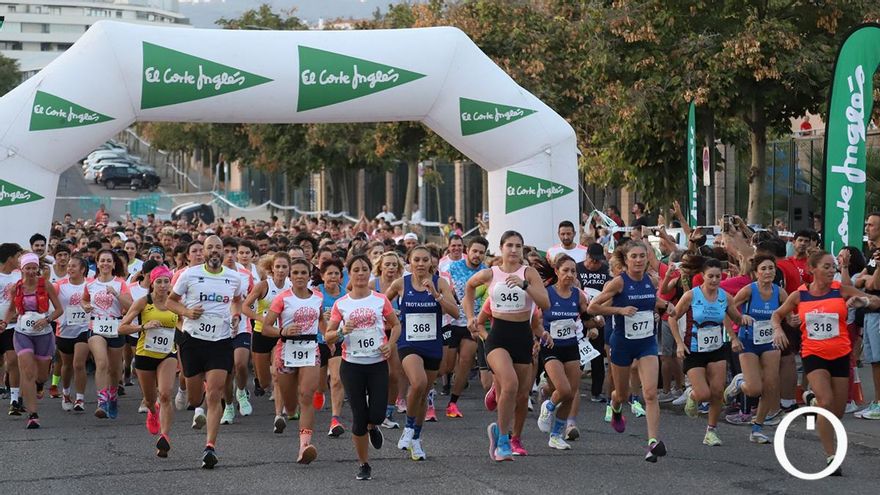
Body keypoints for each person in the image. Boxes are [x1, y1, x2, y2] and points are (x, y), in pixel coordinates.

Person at [771, 251, 880, 475]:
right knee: (826, 402)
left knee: (837, 412)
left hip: (840, 355)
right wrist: (778, 328)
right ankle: (831, 456)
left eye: (834, 267)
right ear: (813, 269)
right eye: (827, 266)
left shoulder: (840, 290)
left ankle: (810, 398)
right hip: (814, 354)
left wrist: (864, 300)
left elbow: (877, 300)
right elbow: (777, 314)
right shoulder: (800, 295)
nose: (832, 271)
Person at [464, 230, 550, 461]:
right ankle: (502, 441)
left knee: (522, 396)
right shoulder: (491, 273)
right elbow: (469, 289)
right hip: (498, 336)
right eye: (509, 245)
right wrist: (470, 316)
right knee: (510, 384)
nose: (513, 250)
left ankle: (515, 438)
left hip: (522, 336)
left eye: (518, 246)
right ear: (501, 248)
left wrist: (524, 286)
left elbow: (545, 303)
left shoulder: (529, 273)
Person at [166, 235, 245, 469]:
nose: (213, 251)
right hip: (192, 340)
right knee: (194, 398)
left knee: (215, 393)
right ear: (203, 252)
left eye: (217, 248)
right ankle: (194, 397)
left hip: (220, 341)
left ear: (223, 253)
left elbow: (237, 301)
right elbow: (171, 302)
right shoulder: (189, 275)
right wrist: (187, 313)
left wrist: (236, 315)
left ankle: (210, 446)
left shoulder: (234, 278)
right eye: (209, 247)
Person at [588, 241, 669, 462]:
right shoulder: (618, 283)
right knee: (622, 394)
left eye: (643, 256)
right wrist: (619, 310)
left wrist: (666, 306)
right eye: (634, 256)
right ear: (626, 260)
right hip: (622, 343)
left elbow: (651, 301)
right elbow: (592, 307)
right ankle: (615, 407)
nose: (639, 260)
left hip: (647, 343)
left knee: (650, 393)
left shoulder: (651, 280)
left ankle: (653, 442)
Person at [325, 254, 401, 480]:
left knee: (376, 414)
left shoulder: (380, 299)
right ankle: (364, 463)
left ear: (370, 272)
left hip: (377, 364)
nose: (360, 273)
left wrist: (390, 344)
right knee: (358, 418)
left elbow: (395, 325)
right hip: (352, 366)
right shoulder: (341, 304)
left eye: (364, 269)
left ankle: (373, 426)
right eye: (356, 269)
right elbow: (328, 336)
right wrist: (341, 332)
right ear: (350, 273)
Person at [386, 246, 458, 460]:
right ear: (409, 262)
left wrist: (436, 296)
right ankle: (408, 429)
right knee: (417, 383)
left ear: (430, 263)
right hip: (408, 343)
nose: (420, 263)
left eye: (424, 260)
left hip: (433, 345)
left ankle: (415, 440)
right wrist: (391, 317)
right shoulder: (401, 284)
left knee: (423, 395)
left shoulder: (439, 283)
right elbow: (382, 304)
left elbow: (455, 312)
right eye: (416, 260)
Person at [668, 259, 750, 447]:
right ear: (703, 276)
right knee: (703, 393)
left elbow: (735, 317)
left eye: (718, 277)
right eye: (710, 276)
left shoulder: (725, 297)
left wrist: (744, 318)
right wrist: (679, 343)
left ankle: (711, 431)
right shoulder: (691, 295)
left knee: (717, 391)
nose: (714, 280)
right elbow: (673, 319)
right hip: (694, 349)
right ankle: (693, 396)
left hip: (716, 349)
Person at [262, 257, 325, 464]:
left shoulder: (317, 296)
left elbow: (322, 319)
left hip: (310, 348)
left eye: (303, 273)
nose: (299, 276)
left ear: (309, 276)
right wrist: (282, 330)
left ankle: (304, 446)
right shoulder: (282, 298)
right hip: (286, 349)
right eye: (295, 273)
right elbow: (266, 327)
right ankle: (290, 410)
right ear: (290, 276)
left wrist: (330, 336)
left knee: (306, 395)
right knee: (291, 406)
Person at [119, 265, 179, 457]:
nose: (163, 285)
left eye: (166, 281)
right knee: (151, 399)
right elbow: (122, 328)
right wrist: (144, 326)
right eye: (159, 282)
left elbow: (185, 324)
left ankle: (165, 437)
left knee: (166, 393)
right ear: (152, 283)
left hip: (168, 354)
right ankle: (153, 412)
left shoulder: (176, 303)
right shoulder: (143, 302)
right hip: (145, 354)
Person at [727, 254, 786, 443]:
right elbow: (727, 312)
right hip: (748, 341)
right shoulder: (748, 291)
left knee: (770, 385)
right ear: (756, 273)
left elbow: (791, 313)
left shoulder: (780, 292)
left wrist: (793, 320)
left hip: (770, 342)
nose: (768, 272)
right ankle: (739, 383)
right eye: (764, 269)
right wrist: (734, 336)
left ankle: (757, 428)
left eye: (771, 268)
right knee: (753, 389)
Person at [536, 255, 592, 450]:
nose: (569, 274)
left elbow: (586, 316)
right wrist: (539, 336)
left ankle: (555, 435)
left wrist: (595, 323)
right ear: (557, 272)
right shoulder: (547, 294)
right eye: (565, 270)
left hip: (571, 346)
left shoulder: (578, 295)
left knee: (570, 394)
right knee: (564, 389)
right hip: (550, 347)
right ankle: (548, 407)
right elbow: (535, 319)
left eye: (573, 271)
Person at [3, 252, 63, 428]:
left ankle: (39, 384)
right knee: (27, 372)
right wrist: (4, 322)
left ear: (38, 268)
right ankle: (33, 414)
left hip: (43, 334)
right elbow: (11, 309)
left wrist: (47, 320)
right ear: (21, 269)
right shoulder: (16, 288)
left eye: (33, 268)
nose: (30, 271)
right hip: (22, 333)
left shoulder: (46, 286)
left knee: (41, 375)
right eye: (27, 268)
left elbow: (59, 309)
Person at [82, 249, 132, 419]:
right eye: (102, 260)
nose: (105, 264)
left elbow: (130, 305)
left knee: (114, 369)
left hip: (116, 327)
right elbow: (84, 300)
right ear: (97, 263)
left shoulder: (120, 283)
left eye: (108, 261)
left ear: (113, 264)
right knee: (101, 362)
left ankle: (112, 396)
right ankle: (101, 401)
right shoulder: (90, 284)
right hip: (96, 326)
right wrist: (85, 306)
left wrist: (116, 294)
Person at [442, 236, 488, 418]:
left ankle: (453, 403)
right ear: (467, 251)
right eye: (474, 251)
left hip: (473, 323)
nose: (477, 255)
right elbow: (444, 290)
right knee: (445, 366)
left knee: (466, 361)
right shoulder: (452, 268)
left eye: (481, 253)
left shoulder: (486, 273)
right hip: (452, 321)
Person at [242, 252, 291, 422]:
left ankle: (279, 414)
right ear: (272, 268)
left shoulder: (292, 287)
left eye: (285, 267)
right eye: (278, 266)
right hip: (262, 332)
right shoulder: (263, 286)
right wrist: (260, 318)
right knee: (264, 382)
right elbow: (245, 307)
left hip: (281, 335)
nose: (281, 270)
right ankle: (259, 380)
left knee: (278, 373)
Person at [220, 238, 254, 425]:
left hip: (241, 325)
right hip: (220, 328)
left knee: (240, 364)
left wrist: (238, 314)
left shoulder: (245, 274)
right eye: (227, 251)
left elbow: (247, 300)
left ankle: (241, 391)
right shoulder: (213, 273)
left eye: (234, 251)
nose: (231, 255)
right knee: (226, 371)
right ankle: (229, 406)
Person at [53, 255, 91, 412]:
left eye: (74, 266)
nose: (70, 269)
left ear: (82, 269)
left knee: (78, 364)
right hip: (64, 330)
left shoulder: (90, 285)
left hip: (84, 328)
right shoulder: (59, 286)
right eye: (69, 266)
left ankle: (80, 399)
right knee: (67, 365)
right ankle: (66, 393)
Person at [373, 251, 405, 427]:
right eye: (387, 264)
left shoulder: (402, 285)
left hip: (395, 332)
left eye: (394, 264)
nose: (391, 267)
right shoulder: (373, 284)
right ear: (380, 266)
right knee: (375, 374)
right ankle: (373, 406)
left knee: (394, 374)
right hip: (375, 334)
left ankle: (388, 412)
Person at [317, 259, 347, 437]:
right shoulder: (316, 294)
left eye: (337, 273)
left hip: (338, 341)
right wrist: (322, 317)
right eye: (330, 273)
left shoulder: (346, 296)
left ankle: (335, 419)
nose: (333, 277)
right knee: (320, 384)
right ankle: (320, 391)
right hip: (318, 341)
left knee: (336, 379)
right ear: (322, 276)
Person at [0, 243, 24, 415]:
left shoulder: (18, 277)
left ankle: (15, 398)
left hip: (13, 326)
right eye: (18, 256)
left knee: (13, 359)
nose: (19, 260)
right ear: (9, 258)